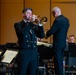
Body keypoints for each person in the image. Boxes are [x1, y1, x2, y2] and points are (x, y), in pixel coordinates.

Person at [14, 8, 45, 75]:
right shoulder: (18, 24)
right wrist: (30, 23)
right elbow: (22, 33)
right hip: (25, 52)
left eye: (31, 13)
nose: (30, 15)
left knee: (32, 72)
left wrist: (40, 24)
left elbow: (41, 35)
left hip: (34, 52)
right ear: (23, 14)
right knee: (22, 72)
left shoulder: (33, 26)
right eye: (28, 13)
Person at [45, 7, 70, 75]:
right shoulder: (66, 20)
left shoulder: (58, 20)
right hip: (63, 44)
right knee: (60, 60)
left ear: (55, 13)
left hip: (57, 44)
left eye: (53, 14)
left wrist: (46, 34)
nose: (53, 16)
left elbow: (52, 31)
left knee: (57, 61)